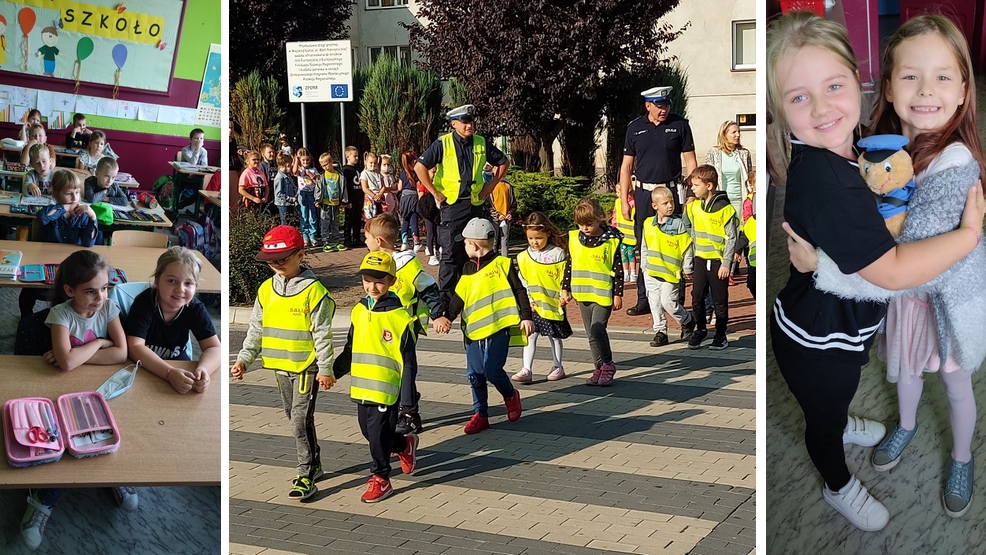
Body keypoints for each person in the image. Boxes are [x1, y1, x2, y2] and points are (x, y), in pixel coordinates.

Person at [767, 11, 984, 531]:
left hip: (943, 304)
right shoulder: (871, 146)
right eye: (910, 76)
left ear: (963, 92)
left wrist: (822, 266)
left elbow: (906, 266)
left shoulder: (952, 164)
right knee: (891, 377)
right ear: (885, 86)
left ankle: (961, 457)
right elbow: (887, 258)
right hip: (863, 318)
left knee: (955, 384)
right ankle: (885, 441)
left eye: (942, 77)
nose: (925, 91)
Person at [20, 250, 132, 550]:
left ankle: (114, 474)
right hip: (59, 389)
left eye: (105, 288)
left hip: (98, 388)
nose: (100, 297)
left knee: (116, 430)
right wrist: (99, 342)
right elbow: (67, 366)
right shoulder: (61, 315)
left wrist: (77, 356)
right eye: (90, 291)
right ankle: (44, 500)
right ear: (70, 291)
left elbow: (122, 354)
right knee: (62, 441)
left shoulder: (108, 309)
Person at [230, 225, 337, 500]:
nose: (276, 264)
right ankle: (315, 461)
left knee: (299, 420)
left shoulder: (315, 292)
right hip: (279, 366)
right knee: (294, 418)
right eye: (270, 260)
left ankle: (306, 472)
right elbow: (256, 328)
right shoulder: (266, 290)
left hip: (306, 367)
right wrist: (244, 358)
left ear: (300, 255)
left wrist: (325, 369)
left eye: (283, 258)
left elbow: (322, 334)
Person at [331, 251, 419, 502]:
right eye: (367, 280)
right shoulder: (358, 310)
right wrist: (333, 373)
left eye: (379, 281)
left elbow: (409, 362)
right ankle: (404, 445)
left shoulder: (401, 317)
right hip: (361, 386)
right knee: (369, 433)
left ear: (392, 281)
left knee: (378, 436)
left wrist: (407, 401)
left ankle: (381, 478)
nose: (372, 286)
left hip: (386, 390)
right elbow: (350, 348)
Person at [439, 217, 529, 434]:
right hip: (472, 332)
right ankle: (481, 414)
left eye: (466, 242)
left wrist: (526, 316)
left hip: (498, 327)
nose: (463, 245)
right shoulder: (467, 268)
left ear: (475, 245)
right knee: (475, 374)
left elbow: (519, 291)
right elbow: (459, 297)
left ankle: (510, 395)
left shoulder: (502, 264)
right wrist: (448, 317)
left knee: (491, 370)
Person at [363, 214, 450, 435]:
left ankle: (410, 413)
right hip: (382, 329)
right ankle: (402, 399)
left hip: (406, 328)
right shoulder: (374, 265)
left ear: (379, 242)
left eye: (367, 238)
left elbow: (428, 288)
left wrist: (438, 314)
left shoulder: (407, 265)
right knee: (392, 370)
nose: (365, 243)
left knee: (406, 367)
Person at [414, 104, 510, 304]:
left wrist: (491, 186)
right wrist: (435, 192)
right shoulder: (443, 143)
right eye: (465, 122)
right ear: (453, 124)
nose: (470, 126)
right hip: (452, 206)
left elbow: (503, 162)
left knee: (477, 250)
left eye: (471, 122)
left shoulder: (481, 143)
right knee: (450, 252)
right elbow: (419, 167)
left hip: (475, 204)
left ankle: (475, 294)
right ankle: (447, 301)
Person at [619, 86, 698, 317]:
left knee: (675, 243)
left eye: (667, 105)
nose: (664, 110)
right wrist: (624, 200)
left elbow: (691, 162)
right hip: (644, 195)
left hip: (671, 191)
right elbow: (626, 166)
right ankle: (644, 298)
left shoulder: (680, 125)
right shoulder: (635, 128)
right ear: (648, 106)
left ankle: (676, 298)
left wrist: (691, 195)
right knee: (644, 245)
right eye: (659, 106)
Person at [126, 246, 220, 394]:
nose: (180, 289)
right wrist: (169, 373)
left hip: (177, 361)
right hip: (143, 366)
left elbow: (214, 348)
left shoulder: (195, 308)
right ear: (157, 280)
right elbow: (134, 347)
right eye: (172, 281)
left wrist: (203, 370)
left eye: (188, 283)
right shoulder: (144, 303)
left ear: (196, 286)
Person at [561, 198, 623, 386]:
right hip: (582, 293)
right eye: (581, 224)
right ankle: (598, 367)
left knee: (598, 329)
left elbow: (617, 268)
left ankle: (608, 364)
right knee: (590, 334)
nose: (585, 228)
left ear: (599, 219)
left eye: (589, 224)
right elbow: (569, 265)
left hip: (603, 294)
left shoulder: (611, 241)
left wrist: (618, 293)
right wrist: (565, 288)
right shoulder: (574, 238)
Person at [512, 212, 572, 383]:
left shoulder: (558, 253)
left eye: (538, 237)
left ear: (547, 233)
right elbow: (522, 280)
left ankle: (557, 366)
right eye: (530, 238)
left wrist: (566, 294)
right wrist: (527, 300)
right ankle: (526, 369)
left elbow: (565, 277)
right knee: (530, 335)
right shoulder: (523, 257)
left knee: (555, 336)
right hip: (534, 305)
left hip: (553, 305)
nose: (534, 242)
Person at [684, 165, 737, 350]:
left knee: (720, 300)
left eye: (696, 185)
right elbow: (688, 229)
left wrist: (726, 263)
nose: (692, 188)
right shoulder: (694, 207)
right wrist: (689, 261)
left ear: (709, 185)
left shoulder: (725, 208)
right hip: (700, 259)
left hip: (717, 263)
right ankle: (700, 330)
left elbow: (732, 237)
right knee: (696, 297)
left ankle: (721, 335)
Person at [641, 186, 695, 347]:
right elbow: (645, 246)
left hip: (670, 272)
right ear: (655, 206)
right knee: (654, 303)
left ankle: (687, 320)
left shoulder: (678, 224)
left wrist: (687, 267)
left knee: (668, 302)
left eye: (671, 202)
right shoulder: (648, 224)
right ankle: (660, 331)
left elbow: (687, 246)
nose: (670, 206)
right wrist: (644, 266)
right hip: (651, 271)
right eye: (665, 203)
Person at [705, 120, 753, 283]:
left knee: (737, 233)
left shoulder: (743, 153)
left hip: (739, 199)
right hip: (721, 199)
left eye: (739, 132)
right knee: (724, 234)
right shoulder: (714, 153)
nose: (737, 135)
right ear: (724, 134)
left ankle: (731, 271)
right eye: (733, 132)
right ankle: (724, 265)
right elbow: (707, 175)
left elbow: (749, 176)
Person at [37, 169, 100, 246]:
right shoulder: (52, 211)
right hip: (51, 254)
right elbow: (42, 217)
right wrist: (68, 208)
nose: (74, 198)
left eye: (77, 192)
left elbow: (89, 243)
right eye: (68, 194)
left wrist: (93, 217)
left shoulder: (82, 215)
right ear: (56, 194)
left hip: (73, 255)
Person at [315, 152, 347, 251]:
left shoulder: (339, 175)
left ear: (331, 162)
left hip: (336, 203)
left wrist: (344, 201)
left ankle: (336, 241)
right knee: (325, 222)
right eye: (322, 165)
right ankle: (325, 242)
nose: (325, 167)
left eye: (326, 164)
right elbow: (318, 188)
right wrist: (317, 200)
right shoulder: (322, 176)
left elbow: (343, 188)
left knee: (335, 223)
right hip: (325, 203)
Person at [484, 162, 517, 257]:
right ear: (493, 170)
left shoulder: (508, 186)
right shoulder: (489, 186)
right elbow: (487, 205)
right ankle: (493, 261)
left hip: (506, 219)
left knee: (504, 242)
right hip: (494, 219)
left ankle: (504, 262)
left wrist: (510, 213)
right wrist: (497, 215)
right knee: (493, 242)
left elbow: (513, 203)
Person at [397, 150, 422, 252]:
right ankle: (416, 243)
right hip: (413, 199)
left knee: (405, 220)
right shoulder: (416, 173)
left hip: (404, 199)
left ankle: (404, 243)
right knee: (414, 220)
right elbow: (418, 187)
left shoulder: (403, 174)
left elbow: (399, 187)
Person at [612, 193, 638, 282]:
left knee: (631, 254)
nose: (617, 194)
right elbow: (615, 215)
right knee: (623, 254)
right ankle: (626, 272)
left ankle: (633, 272)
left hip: (631, 235)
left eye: (619, 192)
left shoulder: (634, 203)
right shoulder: (618, 202)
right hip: (621, 234)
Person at [342, 146, 364, 247]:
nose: (356, 158)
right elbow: (345, 186)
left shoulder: (358, 169)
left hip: (359, 197)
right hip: (350, 199)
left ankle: (357, 237)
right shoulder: (346, 170)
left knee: (357, 219)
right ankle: (347, 238)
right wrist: (346, 201)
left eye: (357, 156)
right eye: (354, 156)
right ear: (347, 157)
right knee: (349, 219)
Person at [273, 152, 297, 226]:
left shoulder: (287, 175)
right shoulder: (279, 178)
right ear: (286, 164)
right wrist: (290, 199)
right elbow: (278, 193)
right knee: (285, 223)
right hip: (283, 204)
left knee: (290, 222)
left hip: (289, 203)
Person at [360, 152, 385, 221]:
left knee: (380, 217)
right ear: (366, 162)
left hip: (379, 198)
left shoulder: (378, 173)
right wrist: (374, 195)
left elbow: (383, 186)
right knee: (370, 218)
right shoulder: (364, 173)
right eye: (371, 162)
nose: (373, 165)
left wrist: (380, 194)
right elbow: (364, 188)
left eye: (375, 163)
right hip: (370, 198)